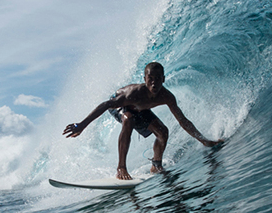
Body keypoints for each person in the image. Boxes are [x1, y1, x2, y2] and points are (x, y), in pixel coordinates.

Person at [62, 62, 222, 180]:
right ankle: (121, 167)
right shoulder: (133, 93)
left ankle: (156, 165)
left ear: (164, 79)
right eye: (150, 78)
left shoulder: (166, 96)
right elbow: (106, 105)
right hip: (118, 105)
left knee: (163, 132)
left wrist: (204, 140)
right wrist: (82, 125)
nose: (154, 82)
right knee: (129, 119)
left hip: (139, 108)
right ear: (144, 79)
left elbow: (183, 121)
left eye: (158, 78)